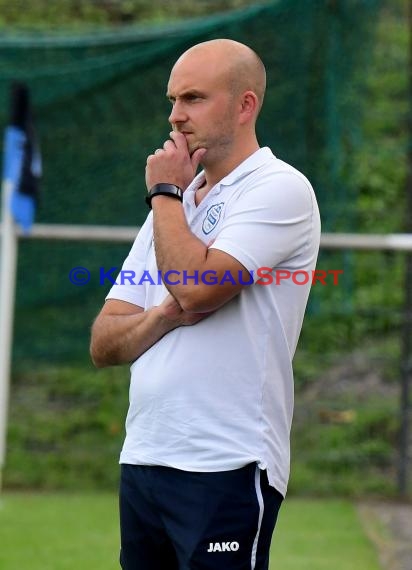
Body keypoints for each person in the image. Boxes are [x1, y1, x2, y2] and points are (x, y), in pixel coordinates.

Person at [90, 38, 320, 570]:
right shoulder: (173, 204)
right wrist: (164, 314)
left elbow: (195, 287)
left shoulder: (278, 188)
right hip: (144, 457)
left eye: (193, 98)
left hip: (227, 463)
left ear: (245, 105)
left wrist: (164, 197)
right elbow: (104, 341)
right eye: (172, 100)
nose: (175, 117)